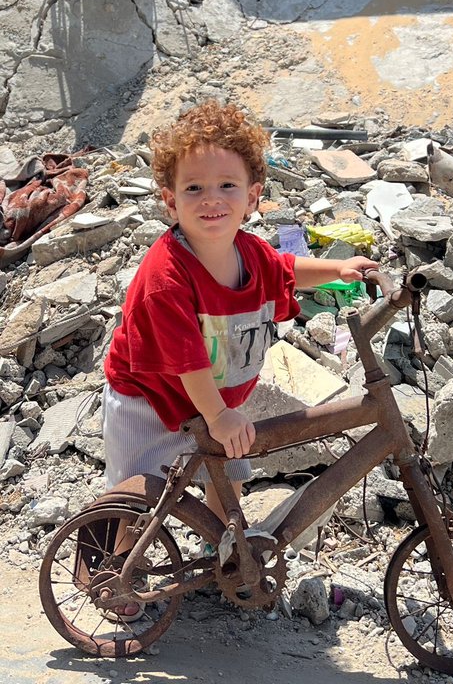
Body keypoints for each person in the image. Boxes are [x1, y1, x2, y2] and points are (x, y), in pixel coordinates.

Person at [101, 100, 375, 613]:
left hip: (213, 401)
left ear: (252, 197)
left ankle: (216, 552)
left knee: (222, 476)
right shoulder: (166, 276)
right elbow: (187, 361)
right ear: (169, 200)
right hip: (150, 398)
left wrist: (338, 270)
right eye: (194, 188)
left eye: (227, 186)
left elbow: (286, 267)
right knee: (138, 493)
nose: (212, 200)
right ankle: (119, 574)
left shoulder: (248, 252)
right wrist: (220, 414)